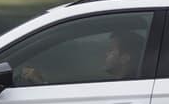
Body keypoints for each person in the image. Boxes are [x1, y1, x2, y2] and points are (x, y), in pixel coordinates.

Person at [15, 28, 144, 86]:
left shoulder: (124, 89)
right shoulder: (123, 85)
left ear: (125, 58)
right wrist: (42, 83)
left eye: (111, 50)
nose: (106, 54)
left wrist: (41, 85)